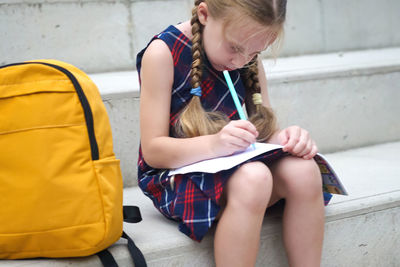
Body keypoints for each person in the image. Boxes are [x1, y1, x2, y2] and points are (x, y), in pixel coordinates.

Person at [136, 0, 330, 266]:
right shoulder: (163, 53)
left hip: (236, 165)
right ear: (204, 15)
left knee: (305, 171)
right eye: (235, 48)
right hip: (176, 174)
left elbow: (263, 133)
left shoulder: (247, 53)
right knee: (254, 177)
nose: (241, 61)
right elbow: (153, 151)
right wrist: (215, 144)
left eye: (254, 53)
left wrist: (287, 138)